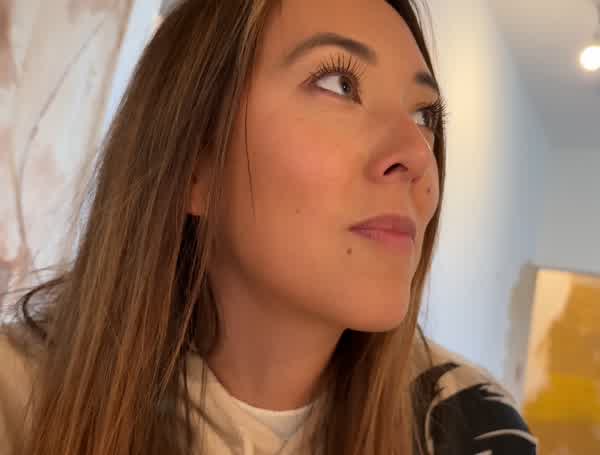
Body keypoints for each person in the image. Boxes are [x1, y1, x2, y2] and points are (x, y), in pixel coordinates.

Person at [0, 0, 538, 453]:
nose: (418, 157)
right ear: (194, 164)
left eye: (425, 116)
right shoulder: (19, 399)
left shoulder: (468, 423)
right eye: (339, 83)